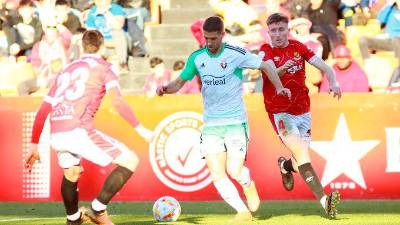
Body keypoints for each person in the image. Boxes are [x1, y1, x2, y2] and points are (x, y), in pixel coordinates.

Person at [156, 16, 291, 222]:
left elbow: (266, 66)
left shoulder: (235, 54)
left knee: (234, 170)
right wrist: (165, 89)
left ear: (222, 35)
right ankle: (242, 212)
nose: (209, 43)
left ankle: (248, 184)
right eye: (206, 38)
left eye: (213, 38)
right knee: (217, 173)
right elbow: (179, 82)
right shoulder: (197, 57)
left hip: (235, 122)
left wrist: (280, 87)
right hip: (211, 124)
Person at [24, 30, 153, 225]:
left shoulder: (65, 70)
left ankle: (73, 219)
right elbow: (118, 103)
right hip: (78, 129)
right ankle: (96, 209)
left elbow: (43, 109)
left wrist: (34, 144)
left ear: (81, 47)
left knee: (72, 172)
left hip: (57, 131)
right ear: (102, 46)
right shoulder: (104, 68)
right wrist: (140, 129)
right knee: (130, 160)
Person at [259, 13, 341, 218]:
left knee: (298, 161)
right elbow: (269, 71)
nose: (277, 34)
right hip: (280, 112)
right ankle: (326, 203)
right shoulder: (265, 50)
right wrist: (281, 69)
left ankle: (285, 166)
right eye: (273, 31)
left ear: (288, 30)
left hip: (303, 111)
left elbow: (324, 66)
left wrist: (333, 81)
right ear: (268, 33)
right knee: (304, 157)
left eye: (281, 30)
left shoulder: (298, 48)